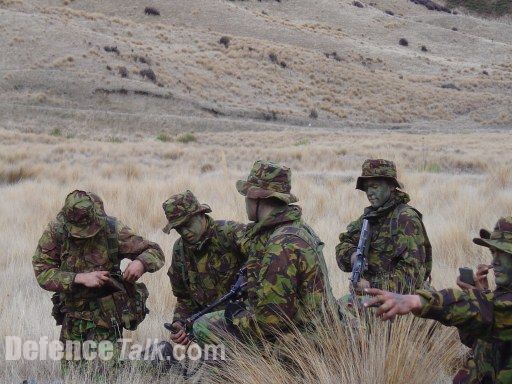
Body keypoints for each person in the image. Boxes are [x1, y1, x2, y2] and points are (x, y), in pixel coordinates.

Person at [191, 160, 334, 346]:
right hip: (314, 326)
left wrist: (235, 317)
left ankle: (235, 374)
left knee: (203, 325)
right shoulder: (295, 228)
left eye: (246, 195)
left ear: (257, 198)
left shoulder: (280, 245)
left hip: (303, 341)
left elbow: (271, 322)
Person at [364, 216, 512, 384]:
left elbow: (493, 313)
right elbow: (478, 339)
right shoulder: (499, 298)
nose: (495, 261)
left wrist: (418, 301)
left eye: (504, 253)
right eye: (493, 252)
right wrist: (482, 293)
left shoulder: (498, 307)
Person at [32, 190, 165, 357]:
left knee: (106, 375)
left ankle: (158, 359)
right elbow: (42, 270)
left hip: (106, 315)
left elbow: (155, 251)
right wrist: (79, 278)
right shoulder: (57, 231)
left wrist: (141, 263)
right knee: (73, 374)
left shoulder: (111, 229)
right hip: (72, 313)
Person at [162, 190, 246, 346]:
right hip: (209, 330)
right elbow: (184, 298)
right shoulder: (179, 250)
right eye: (178, 229)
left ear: (200, 214)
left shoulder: (231, 233)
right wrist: (180, 323)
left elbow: (264, 263)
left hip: (244, 317)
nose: (184, 232)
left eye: (187, 224)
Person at [336, 159, 431, 293]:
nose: (369, 193)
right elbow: (343, 245)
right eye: (367, 188)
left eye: (374, 187)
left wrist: (370, 286)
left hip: (401, 302)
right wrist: (353, 255)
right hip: (370, 297)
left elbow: (413, 276)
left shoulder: (405, 219)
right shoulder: (369, 217)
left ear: (391, 186)